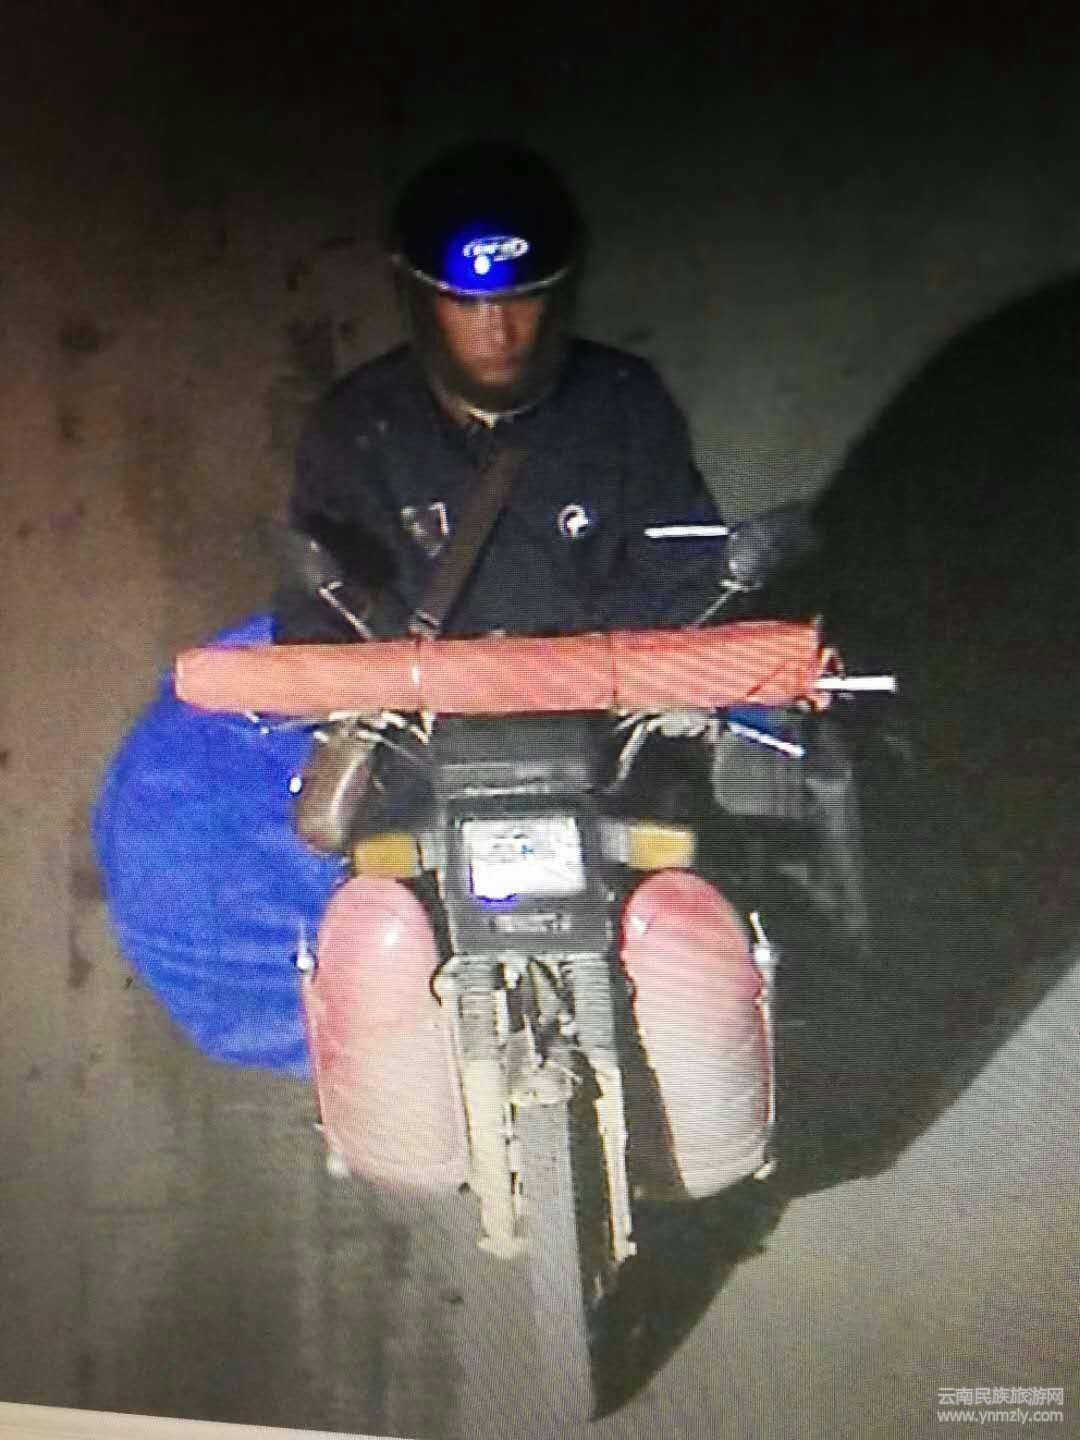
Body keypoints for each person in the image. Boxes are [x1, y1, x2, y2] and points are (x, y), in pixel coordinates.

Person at [274, 139, 871, 955]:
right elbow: (315, 609)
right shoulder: (358, 426)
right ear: (417, 298)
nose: (499, 331)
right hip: (428, 765)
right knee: (373, 943)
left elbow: (679, 569)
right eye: (467, 305)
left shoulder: (621, 403)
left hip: (606, 752)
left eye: (525, 299)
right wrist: (343, 696)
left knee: (705, 925)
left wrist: (702, 666)